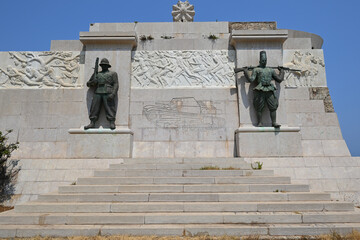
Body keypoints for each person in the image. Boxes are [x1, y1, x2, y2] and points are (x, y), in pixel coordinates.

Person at [238, 51, 284, 128]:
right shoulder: (256, 70)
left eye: (265, 60)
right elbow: (251, 80)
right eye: (263, 60)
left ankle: (274, 122)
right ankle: (259, 122)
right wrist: (246, 72)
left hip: (269, 89)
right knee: (259, 106)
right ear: (260, 61)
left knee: (273, 106)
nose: (264, 62)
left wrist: (282, 71)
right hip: (260, 89)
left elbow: (279, 79)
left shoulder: (271, 70)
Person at [84, 58, 119, 130]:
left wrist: (113, 93)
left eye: (105, 65)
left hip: (108, 92)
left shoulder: (113, 74)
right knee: (94, 107)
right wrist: (93, 82)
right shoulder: (97, 74)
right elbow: (88, 84)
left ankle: (112, 121)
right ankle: (92, 122)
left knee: (110, 108)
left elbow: (116, 84)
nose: (104, 66)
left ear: (108, 66)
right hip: (98, 92)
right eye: (102, 65)